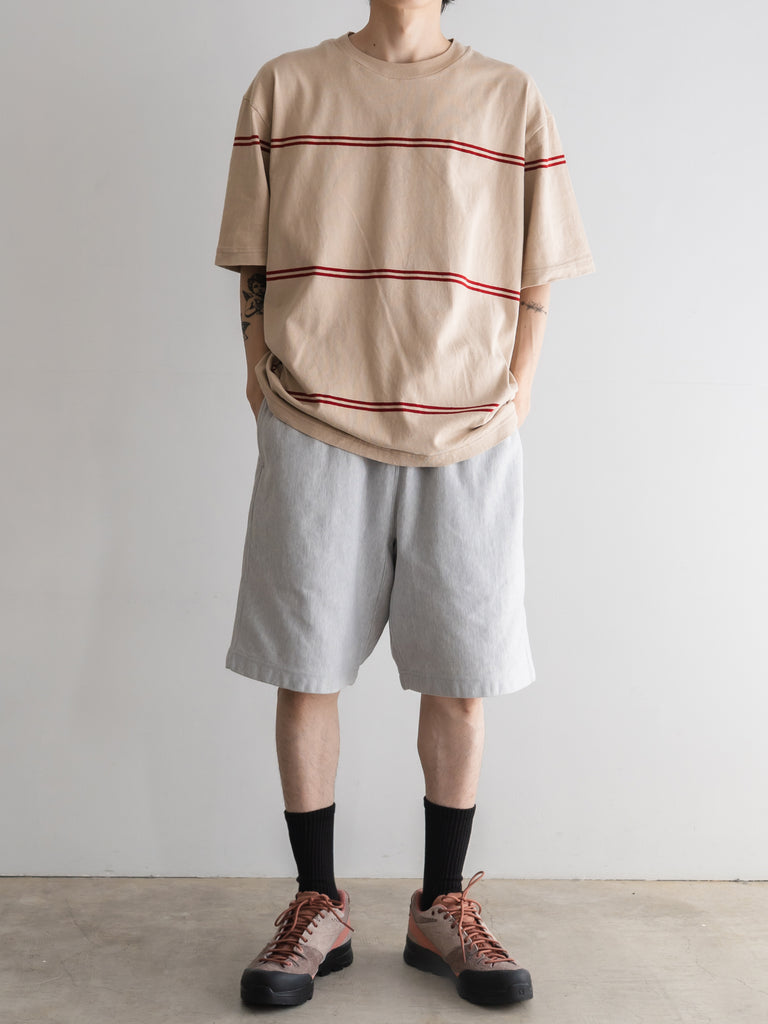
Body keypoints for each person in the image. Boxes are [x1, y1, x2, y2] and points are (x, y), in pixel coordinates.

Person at [213, 0, 595, 1009]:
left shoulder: (509, 96)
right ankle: (317, 904)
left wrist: (520, 386)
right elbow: (251, 257)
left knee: (462, 681)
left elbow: (540, 263)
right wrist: (257, 372)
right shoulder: (286, 86)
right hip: (314, 419)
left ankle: (440, 907)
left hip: (467, 431)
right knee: (306, 672)